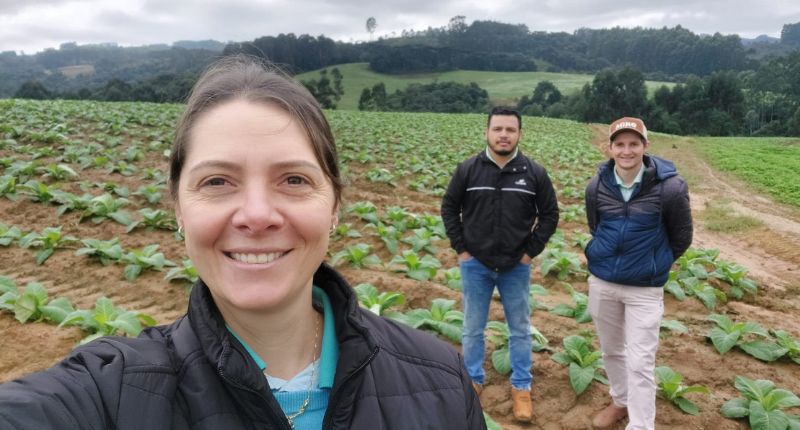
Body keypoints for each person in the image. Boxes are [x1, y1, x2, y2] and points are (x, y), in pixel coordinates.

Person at [0, 55, 485, 430]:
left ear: (335, 206)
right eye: (217, 182)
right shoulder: (112, 392)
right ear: (178, 210)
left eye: (294, 180)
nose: (256, 215)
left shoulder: (440, 380)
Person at [441, 106, 559, 422]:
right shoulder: (468, 169)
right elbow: (450, 209)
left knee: (519, 329)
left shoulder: (534, 173)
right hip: (475, 264)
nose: (503, 135)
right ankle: (472, 382)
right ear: (488, 132)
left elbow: (550, 215)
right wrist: (462, 249)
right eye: (498, 129)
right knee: (472, 328)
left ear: (519, 134)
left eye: (510, 129)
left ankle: (521, 388)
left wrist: (529, 252)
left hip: (515, 267)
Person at [584, 117, 693, 429]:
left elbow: (681, 235)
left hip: (644, 289)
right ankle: (620, 401)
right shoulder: (597, 186)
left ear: (646, 147)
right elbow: (597, 226)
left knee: (641, 360)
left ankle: (642, 424)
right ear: (610, 148)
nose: (627, 150)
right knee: (611, 351)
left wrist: (656, 261)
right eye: (620, 144)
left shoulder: (670, 188)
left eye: (634, 144)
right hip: (603, 282)